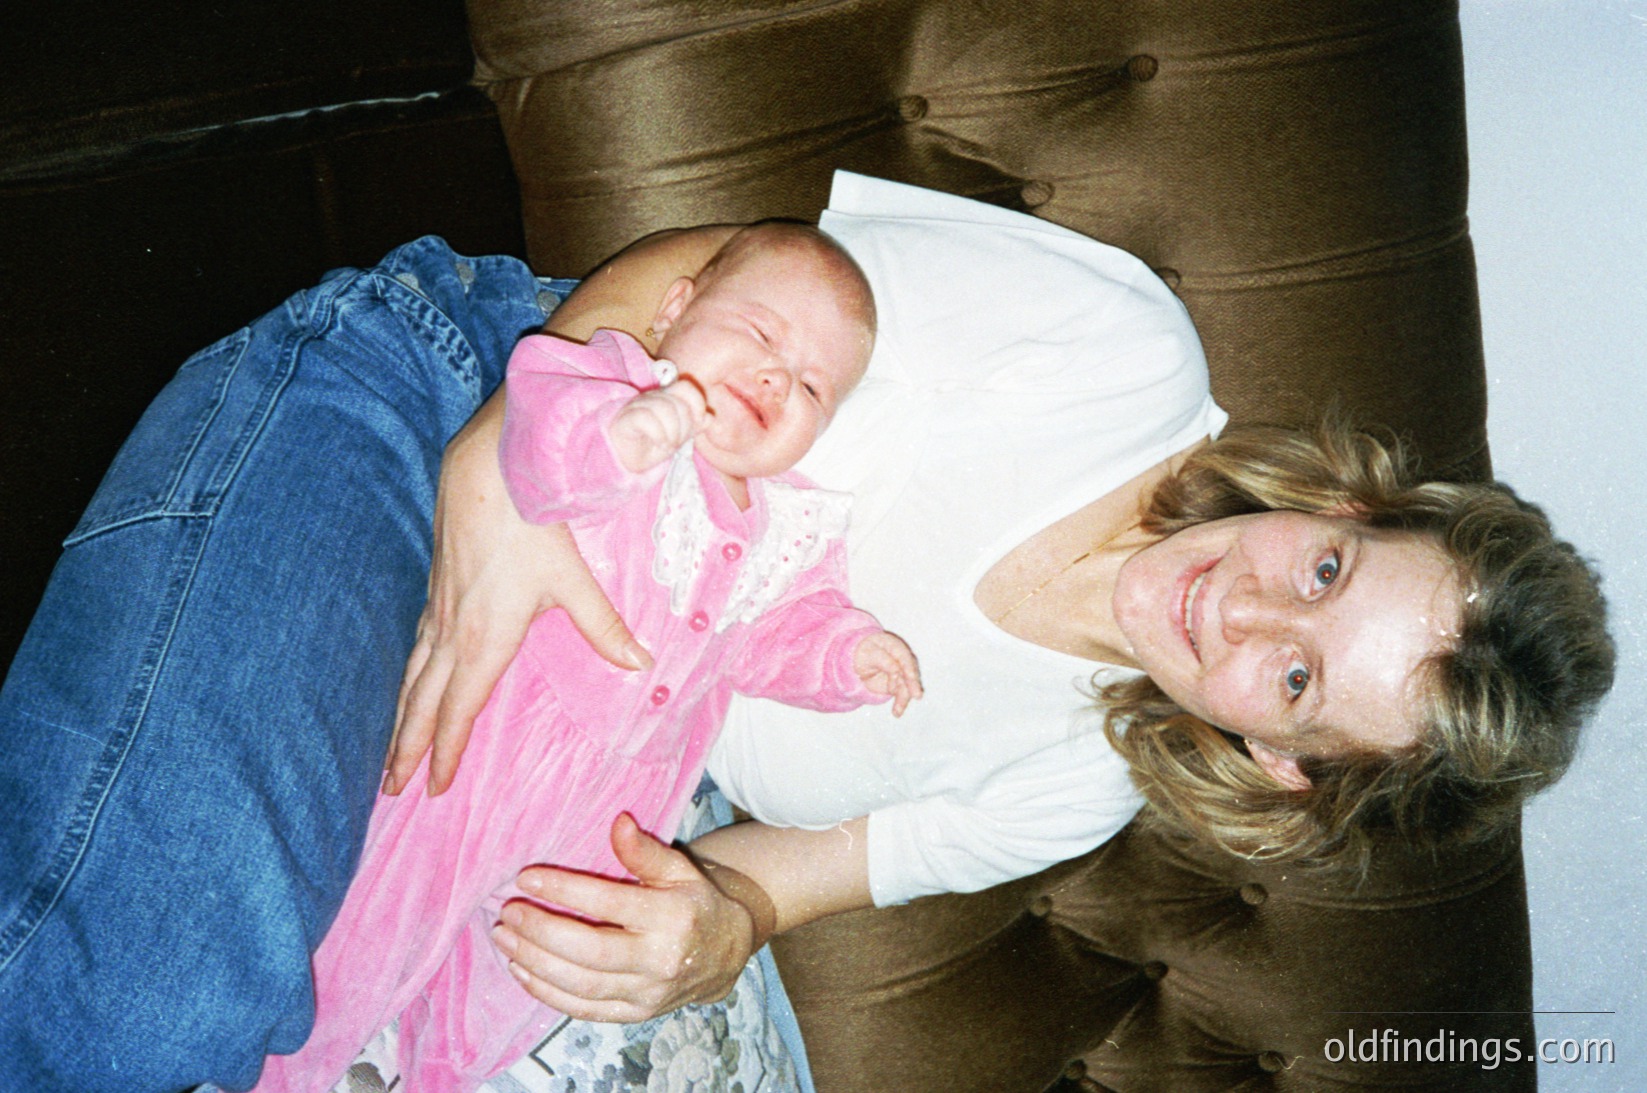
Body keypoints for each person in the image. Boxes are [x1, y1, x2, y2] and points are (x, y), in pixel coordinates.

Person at [0, 175, 1613, 1093]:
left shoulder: (1065, 786)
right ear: (1344, 501)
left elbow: (772, 875)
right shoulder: (1108, 348)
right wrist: (499, 474)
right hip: (453, 390)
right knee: (144, 1004)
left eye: (1294, 672)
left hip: (521, 729)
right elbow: (707, 271)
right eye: (1328, 569)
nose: (1247, 602)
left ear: (1281, 757)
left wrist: (715, 923)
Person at [252, 221, 921, 1093]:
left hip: (602, 820)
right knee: (364, 942)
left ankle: (419, 1077)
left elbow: (776, 634)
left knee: (510, 992)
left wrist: (845, 655)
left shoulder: (785, 526)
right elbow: (541, 458)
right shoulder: (602, 378)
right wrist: (635, 429)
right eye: (760, 336)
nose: (772, 379)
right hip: (473, 763)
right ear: (675, 308)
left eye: (810, 388)